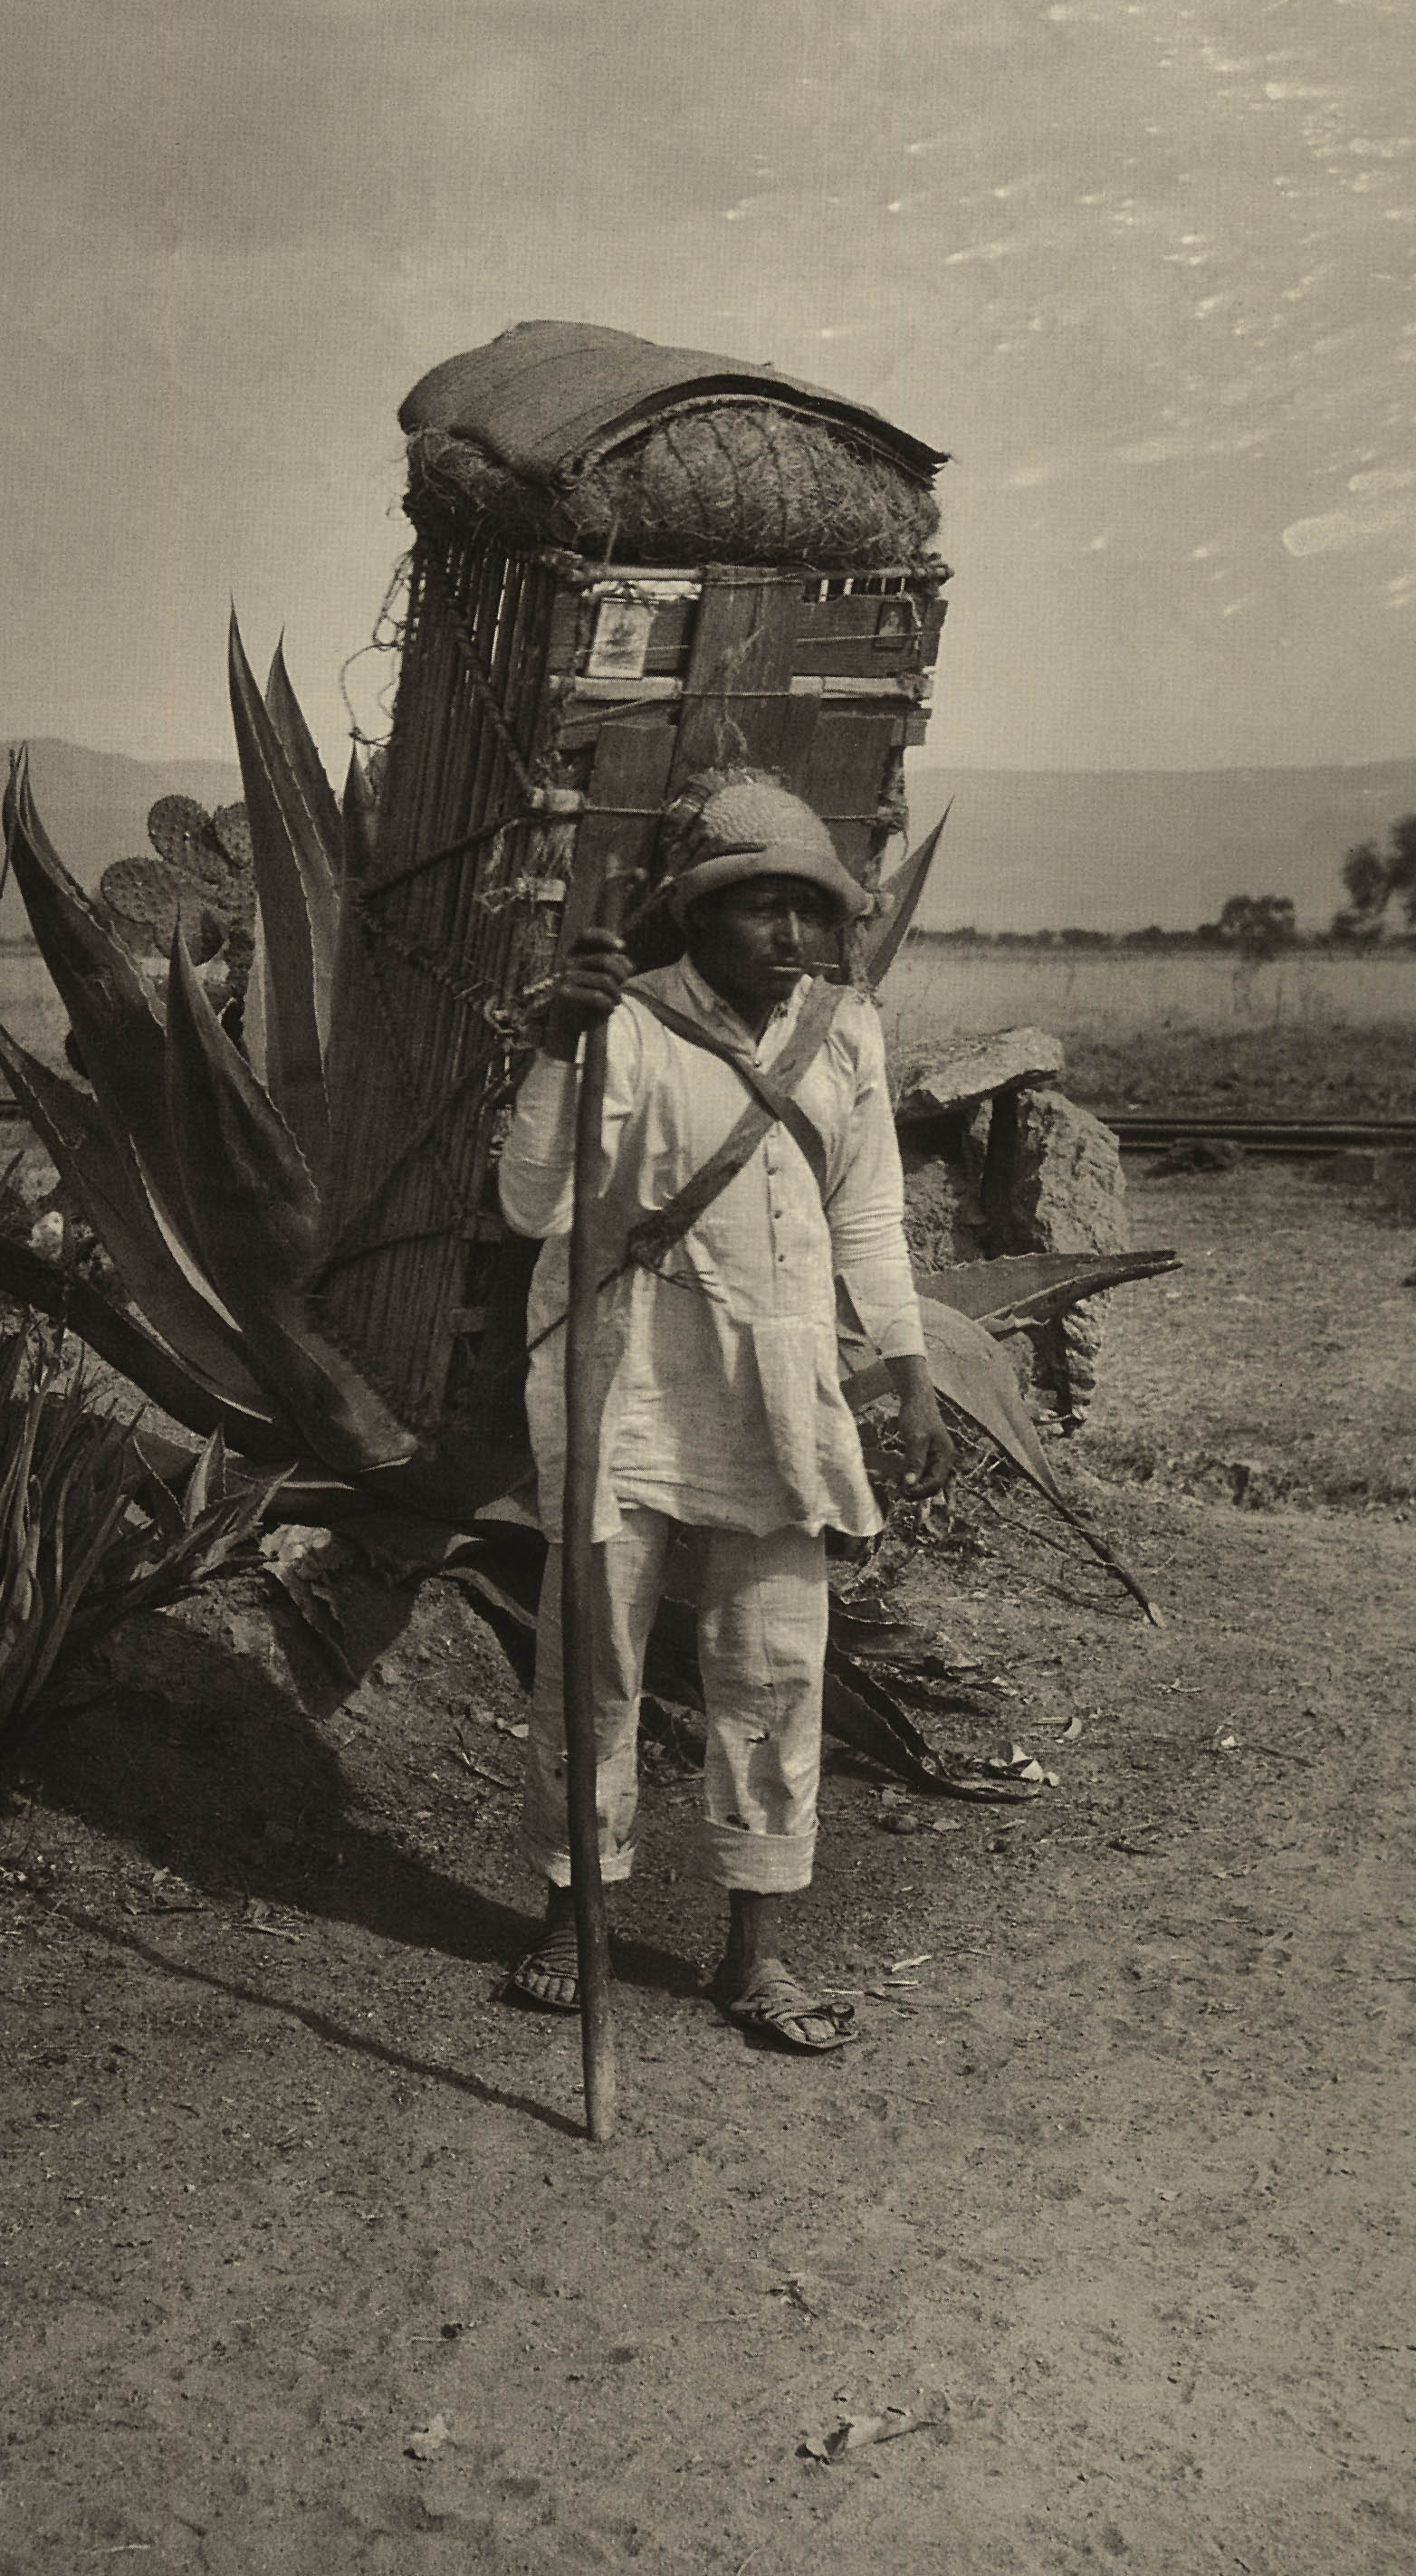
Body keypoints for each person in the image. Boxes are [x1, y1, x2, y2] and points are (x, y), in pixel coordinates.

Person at [495, 777, 957, 2054]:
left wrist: (911, 1373)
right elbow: (530, 1206)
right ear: (695, 917)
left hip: (779, 1389)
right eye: (760, 908)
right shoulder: (624, 1026)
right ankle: (573, 1917)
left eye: (810, 911)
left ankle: (755, 1954)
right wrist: (558, 1048)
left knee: (773, 1668)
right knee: (592, 1661)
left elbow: (867, 1215)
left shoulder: (845, 1034)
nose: (791, 937)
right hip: (627, 1377)